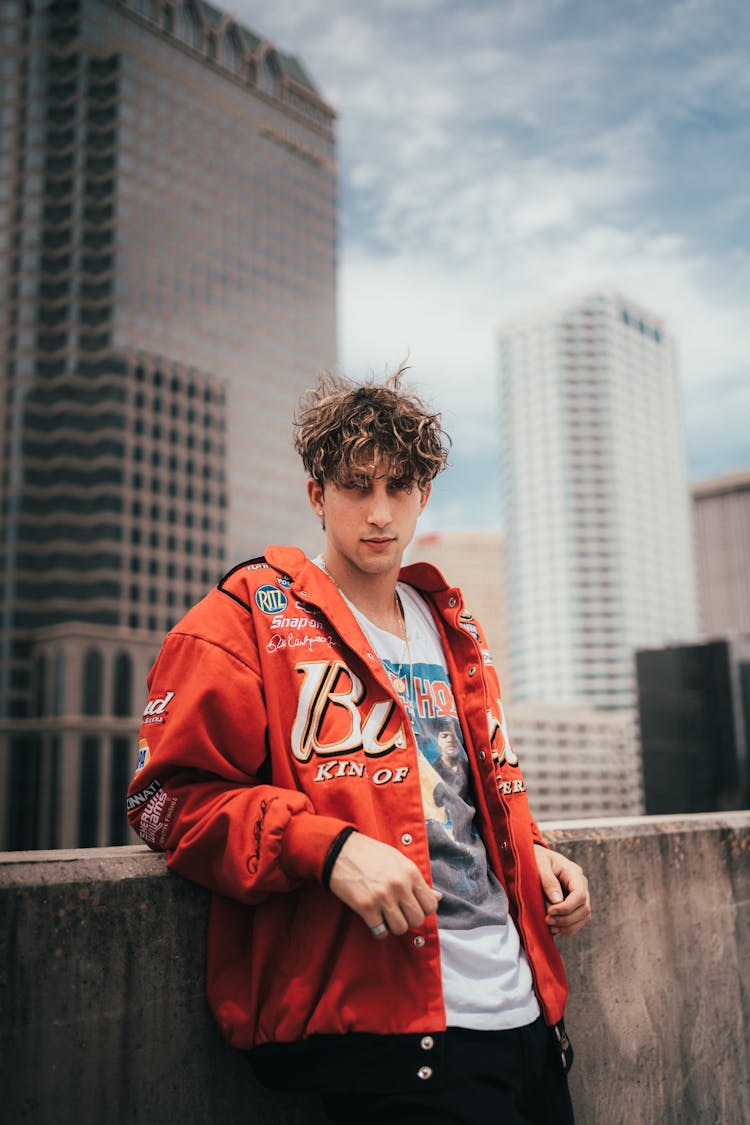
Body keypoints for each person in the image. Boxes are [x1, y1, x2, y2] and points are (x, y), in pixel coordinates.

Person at [127, 364, 591, 1124]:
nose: (379, 513)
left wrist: (528, 846)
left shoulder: (454, 629)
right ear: (317, 494)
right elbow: (162, 801)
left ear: (424, 495)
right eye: (355, 485)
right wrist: (326, 848)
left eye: (398, 487)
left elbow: (462, 791)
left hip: (529, 1017)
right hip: (395, 1040)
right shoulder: (246, 617)